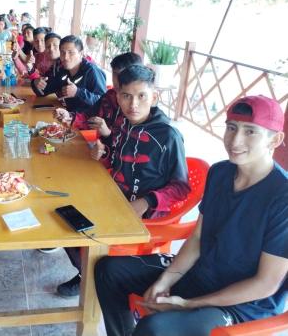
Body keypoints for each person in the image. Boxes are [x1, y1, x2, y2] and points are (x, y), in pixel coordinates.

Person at [95, 94, 287, 336]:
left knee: (155, 328)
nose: (235, 140)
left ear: (275, 139)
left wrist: (187, 305)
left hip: (243, 304)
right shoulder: (219, 173)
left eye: (250, 131)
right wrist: (164, 282)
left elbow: (266, 284)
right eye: (231, 128)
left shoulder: (282, 198)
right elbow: (197, 239)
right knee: (108, 270)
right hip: (202, 273)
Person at [57, 64, 190, 297]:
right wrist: (104, 154)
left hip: (142, 213)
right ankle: (86, 271)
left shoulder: (167, 135)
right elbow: (118, 157)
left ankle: (91, 276)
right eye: (126, 96)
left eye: (141, 96)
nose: (133, 104)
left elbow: (181, 187)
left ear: (154, 97)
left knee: (74, 226)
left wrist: (146, 201)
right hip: (114, 196)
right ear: (117, 97)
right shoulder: (124, 124)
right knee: (62, 212)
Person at [54, 52, 142, 133]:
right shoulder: (110, 96)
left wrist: (108, 134)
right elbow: (89, 117)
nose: (118, 80)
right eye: (115, 74)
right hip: (98, 145)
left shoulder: (139, 107)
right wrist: (69, 116)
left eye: (123, 75)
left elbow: (131, 144)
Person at [32, 35, 107, 113]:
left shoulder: (92, 71)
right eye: (62, 53)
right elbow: (44, 91)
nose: (66, 57)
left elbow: (104, 103)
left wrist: (78, 92)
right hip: (69, 117)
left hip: (89, 122)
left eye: (71, 53)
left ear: (81, 54)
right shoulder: (63, 71)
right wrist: (36, 83)